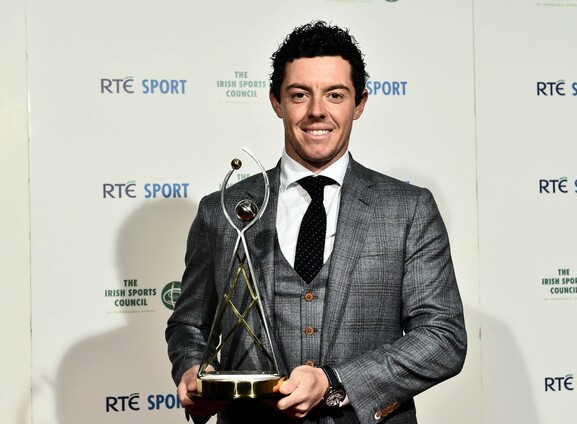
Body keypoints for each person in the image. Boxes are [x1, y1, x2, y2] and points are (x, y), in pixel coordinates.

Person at [166, 20, 466, 424]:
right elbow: (189, 324)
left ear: (359, 103)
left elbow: (443, 338)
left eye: (335, 95)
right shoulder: (222, 211)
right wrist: (193, 371)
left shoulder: (408, 209)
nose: (317, 111)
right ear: (276, 101)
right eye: (299, 94)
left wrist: (336, 381)